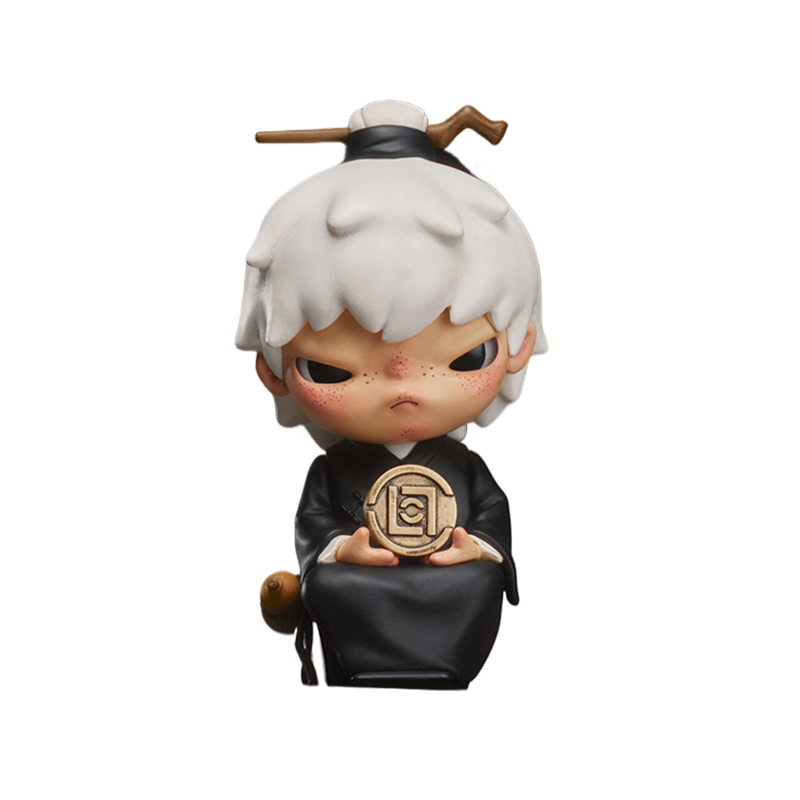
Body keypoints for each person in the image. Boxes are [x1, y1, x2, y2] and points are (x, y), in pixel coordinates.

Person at [236, 101, 546, 688]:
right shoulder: (333, 472)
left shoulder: (463, 469)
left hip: (451, 577)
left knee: (480, 578)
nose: (405, 388)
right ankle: (360, 665)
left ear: (519, 345)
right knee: (331, 584)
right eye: (331, 370)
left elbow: (490, 516)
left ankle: (445, 663)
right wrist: (340, 550)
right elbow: (314, 525)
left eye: (465, 358)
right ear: (274, 371)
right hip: (359, 584)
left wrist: (477, 548)